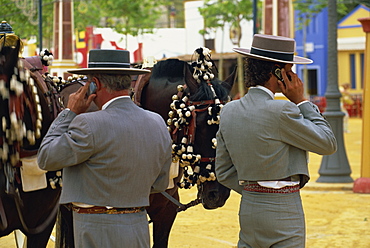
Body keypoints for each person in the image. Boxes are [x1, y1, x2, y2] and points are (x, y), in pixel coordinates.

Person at [37, 49, 172, 248]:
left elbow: (46, 157)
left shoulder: (87, 124)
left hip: (95, 227)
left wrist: (69, 112)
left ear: (95, 84)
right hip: (138, 226)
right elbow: (160, 183)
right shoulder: (157, 122)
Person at [215, 34, 337, 248]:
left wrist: (256, 190)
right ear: (278, 72)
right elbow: (328, 143)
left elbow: (223, 172)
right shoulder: (283, 110)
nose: (293, 77)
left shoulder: (229, 111)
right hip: (283, 208)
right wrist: (301, 101)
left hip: (249, 207)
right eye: (289, 70)